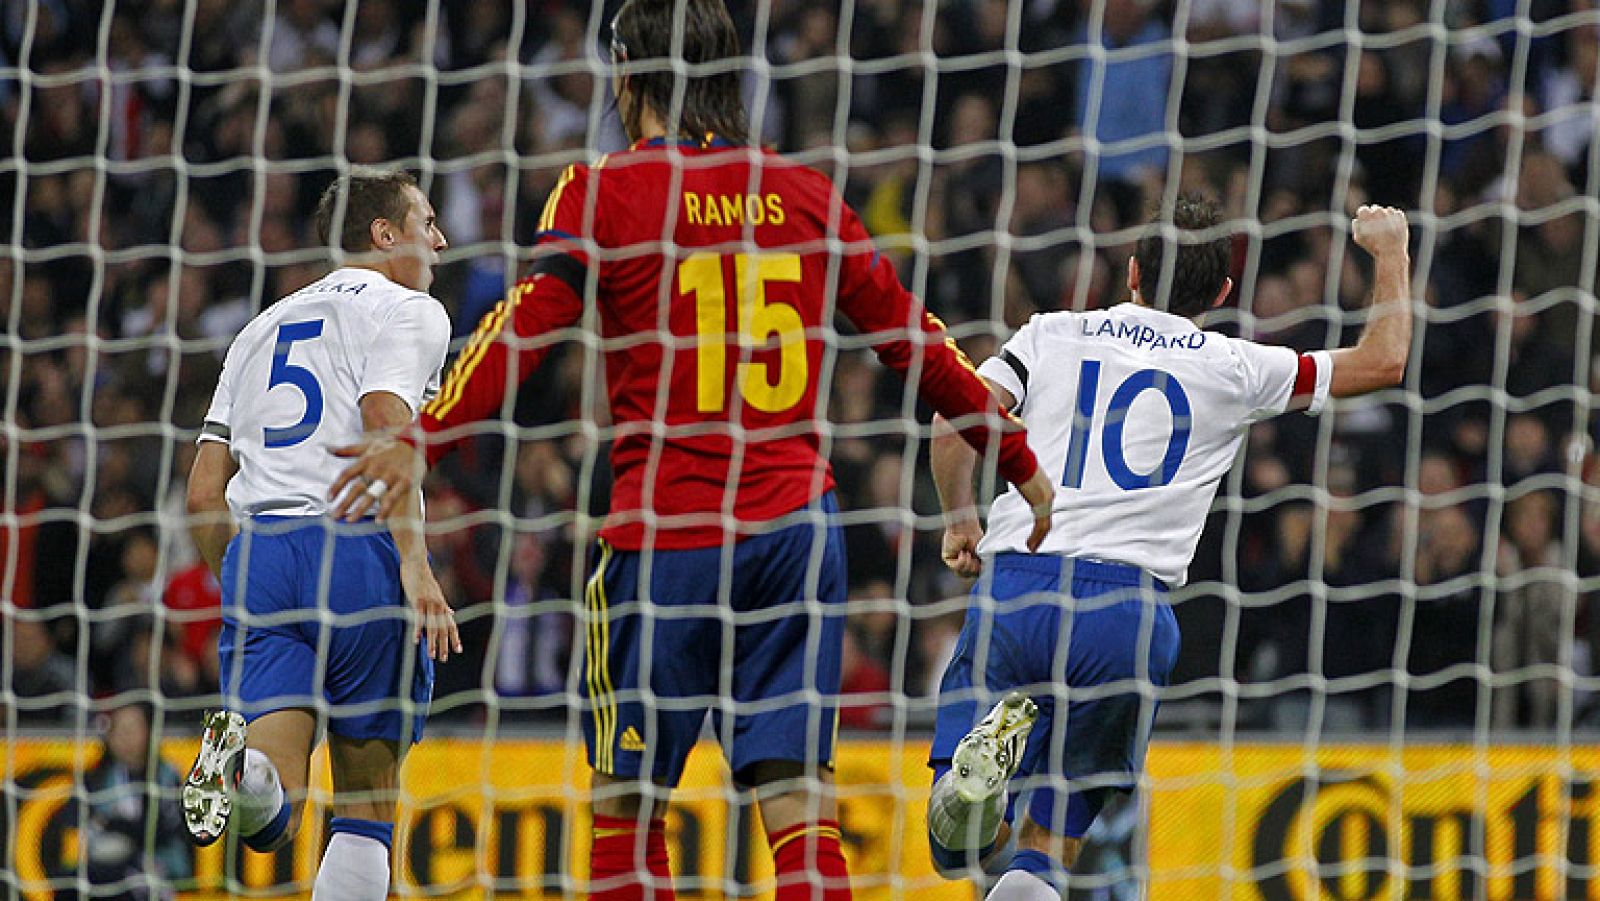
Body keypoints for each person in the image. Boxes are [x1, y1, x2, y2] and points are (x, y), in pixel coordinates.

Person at [327, 0, 1055, 897]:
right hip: (794, 532)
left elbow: (525, 328)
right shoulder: (806, 194)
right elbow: (918, 344)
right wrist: (1015, 457)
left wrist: (426, 437)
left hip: (665, 536)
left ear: (627, 74)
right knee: (798, 803)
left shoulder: (605, 190)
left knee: (628, 807)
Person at [923, 197, 1413, 899]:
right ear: (1220, 293)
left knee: (957, 849)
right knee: (1052, 842)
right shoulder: (1236, 365)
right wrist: (1389, 251)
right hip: (1130, 613)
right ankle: (1015, 840)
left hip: (1022, 582)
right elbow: (1383, 360)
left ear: (1131, 272)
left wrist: (961, 520)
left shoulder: (1052, 334)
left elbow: (953, 418)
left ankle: (979, 791)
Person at [182, 169, 461, 901]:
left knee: (275, 815)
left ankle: (250, 777)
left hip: (263, 553)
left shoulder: (255, 329)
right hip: (359, 544)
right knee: (366, 807)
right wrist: (415, 562)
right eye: (426, 222)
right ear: (384, 234)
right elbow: (383, 421)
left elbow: (204, 492)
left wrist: (243, 581)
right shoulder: (412, 309)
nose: (440, 240)